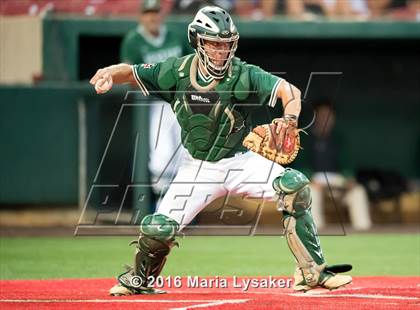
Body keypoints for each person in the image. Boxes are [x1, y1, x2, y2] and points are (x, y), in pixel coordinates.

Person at [90, 6, 352, 295]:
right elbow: (132, 72)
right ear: (198, 41)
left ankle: (312, 271)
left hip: (242, 162)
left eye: (226, 44)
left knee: (295, 187)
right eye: (213, 43)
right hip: (197, 169)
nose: (220, 50)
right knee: (156, 229)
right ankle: (140, 279)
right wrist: (110, 72)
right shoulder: (176, 71)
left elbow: (289, 92)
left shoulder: (243, 73)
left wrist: (290, 118)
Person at [120, 0, 191, 202]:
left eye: (155, 12)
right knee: (161, 159)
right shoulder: (133, 40)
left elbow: (193, 65)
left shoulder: (175, 35)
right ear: (141, 16)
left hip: (181, 102)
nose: (152, 17)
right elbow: (128, 74)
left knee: (185, 156)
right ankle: (162, 205)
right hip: (154, 104)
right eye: (148, 13)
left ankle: (182, 205)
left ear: (162, 14)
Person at [306, 99, 372, 231]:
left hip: (337, 182)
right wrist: (309, 178)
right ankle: (317, 232)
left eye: (329, 116)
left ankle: (364, 232)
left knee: (358, 191)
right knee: (311, 191)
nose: (326, 119)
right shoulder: (305, 138)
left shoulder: (339, 138)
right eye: (322, 115)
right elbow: (300, 166)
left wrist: (349, 178)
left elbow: (347, 165)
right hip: (314, 181)